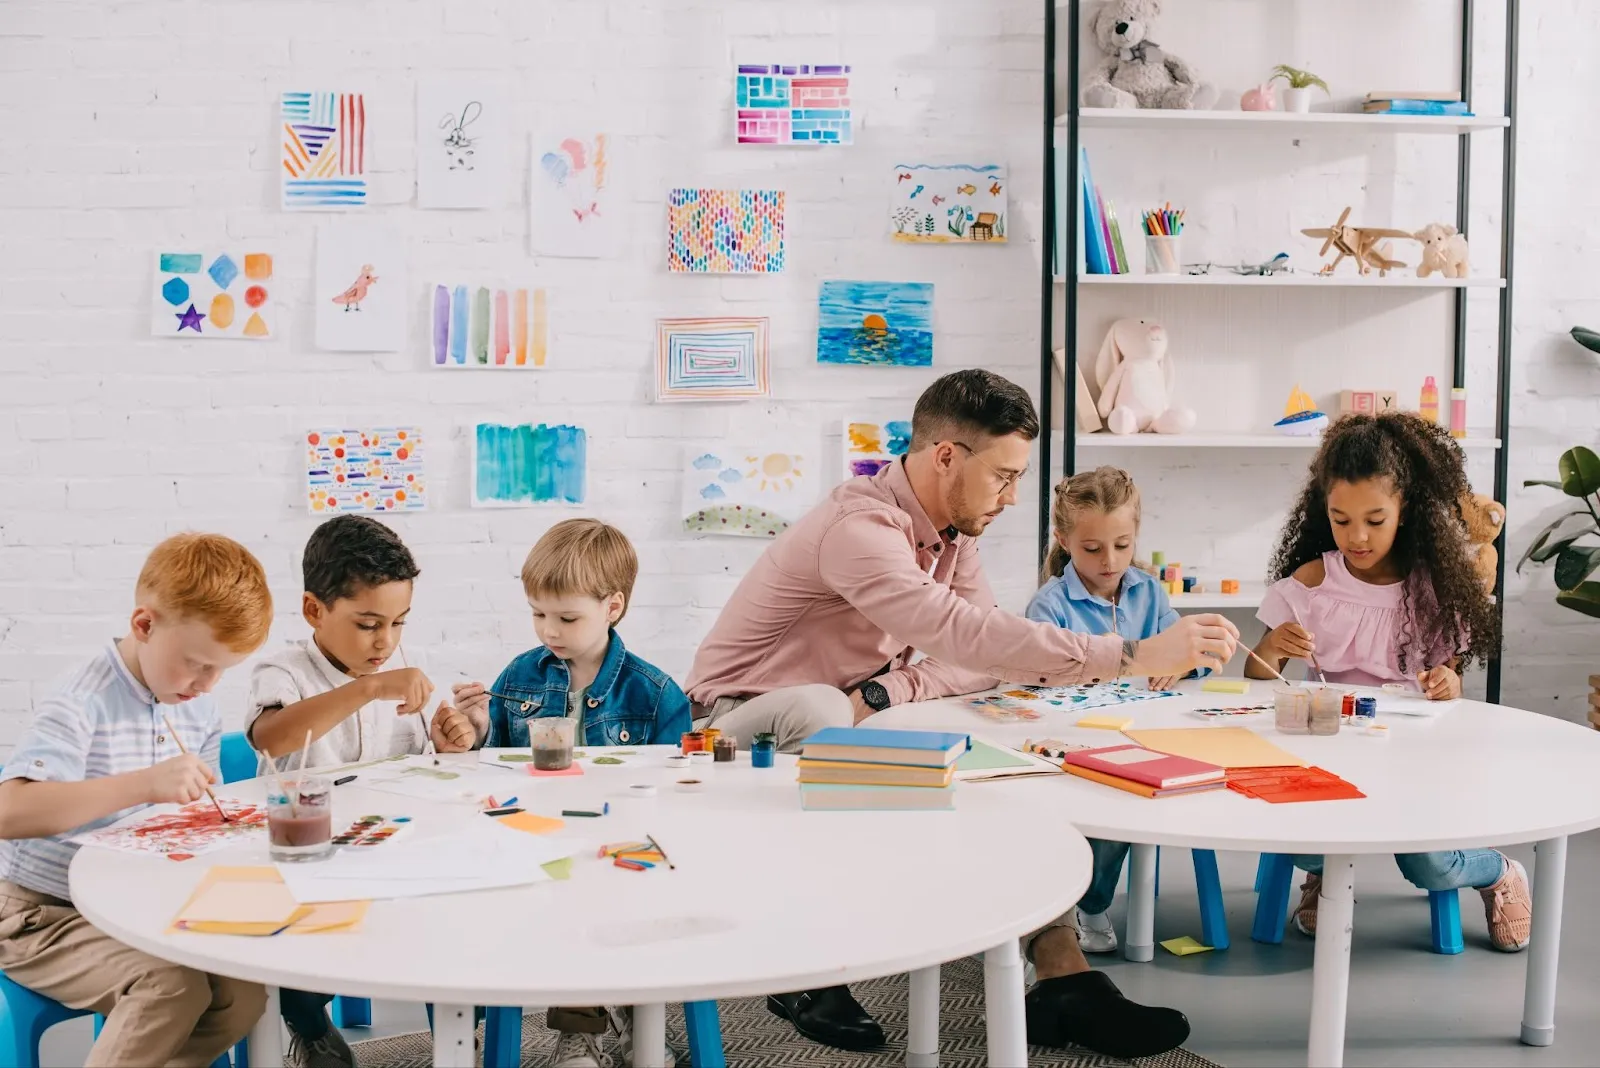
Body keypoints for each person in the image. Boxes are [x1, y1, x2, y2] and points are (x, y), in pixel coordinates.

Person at [686, 370, 1239, 1060]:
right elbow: (966, 634)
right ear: (947, 455)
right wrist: (1130, 652)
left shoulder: (954, 534)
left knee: (1015, 754)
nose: (1012, 498)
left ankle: (1065, 977)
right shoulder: (860, 529)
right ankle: (812, 960)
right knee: (826, 704)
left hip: (852, 713)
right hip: (732, 727)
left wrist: (893, 690)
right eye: (1004, 477)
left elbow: (984, 652)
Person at [1243, 411, 1527, 950]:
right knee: (1294, 842)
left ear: (1406, 510)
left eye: (1375, 520)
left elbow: (1450, 673)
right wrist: (1271, 647)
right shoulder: (1312, 583)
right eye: (1341, 519)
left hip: (1413, 760)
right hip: (1325, 757)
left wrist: (1448, 679)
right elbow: (1255, 680)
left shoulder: (1430, 586)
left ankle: (1497, 871)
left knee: (1430, 865)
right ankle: (1321, 873)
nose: (1357, 536)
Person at [0, 533, 270, 1066]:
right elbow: (9, 812)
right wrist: (145, 783)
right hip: (37, 915)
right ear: (144, 625)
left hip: (132, 904)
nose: (208, 683)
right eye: (197, 663)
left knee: (246, 992)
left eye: (222, 670)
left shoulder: (193, 704)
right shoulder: (81, 700)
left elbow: (191, 810)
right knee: (172, 987)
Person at [247, 514, 488, 1067]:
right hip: (311, 859)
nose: (387, 641)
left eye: (399, 623)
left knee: (459, 916)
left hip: (400, 849)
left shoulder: (402, 668)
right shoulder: (284, 671)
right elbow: (271, 735)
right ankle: (309, 1027)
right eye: (368, 623)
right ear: (315, 610)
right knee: (282, 941)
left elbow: (427, 762)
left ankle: (457, 1032)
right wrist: (370, 687)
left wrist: (455, 741)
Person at [478, 519, 692, 1067]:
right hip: (538, 842)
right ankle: (588, 1026)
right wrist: (471, 732)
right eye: (538, 613)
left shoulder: (656, 693)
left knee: (600, 891)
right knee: (558, 888)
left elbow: (679, 796)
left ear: (612, 607)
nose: (549, 630)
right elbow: (491, 773)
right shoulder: (517, 679)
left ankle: (616, 1017)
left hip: (629, 848)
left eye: (567, 617)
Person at [1026, 465, 1201, 955]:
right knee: (1105, 802)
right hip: (1076, 741)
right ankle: (1083, 902)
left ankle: (1091, 900)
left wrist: (1184, 665)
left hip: (1147, 735)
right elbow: (1039, 683)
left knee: (1133, 795)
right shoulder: (1050, 606)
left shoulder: (1150, 592)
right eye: (1092, 548)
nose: (1110, 561)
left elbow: (1190, 657)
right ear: (1063, 540)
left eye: (1122, 545)